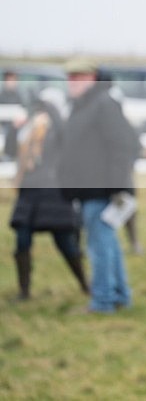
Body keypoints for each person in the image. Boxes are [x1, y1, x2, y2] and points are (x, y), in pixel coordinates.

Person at [57, 58, 141, 314]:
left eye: (79, 77)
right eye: (70, 77)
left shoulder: (103, 103)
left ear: (93, 78)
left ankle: (103, 301)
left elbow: (123, 146)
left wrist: (117, 187)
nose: (72, 82)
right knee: (107, 244)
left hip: (102, 190)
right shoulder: (84, 105)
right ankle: (120, 296)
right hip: (91, 189)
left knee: (98, 246)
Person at [8, 87, 88, 300]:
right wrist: (14, 129)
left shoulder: (59, 128)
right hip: (28, 193)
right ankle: (24, 291)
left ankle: (85, 285)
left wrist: (51, 111)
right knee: (22, 241)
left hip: (54, 193)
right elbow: (10, 151)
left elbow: (66, 140)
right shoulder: (28, 128)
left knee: (65, 242)